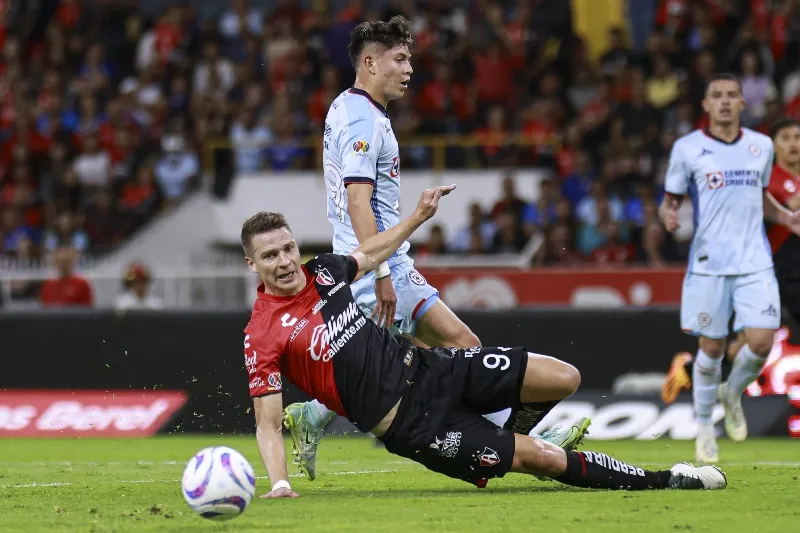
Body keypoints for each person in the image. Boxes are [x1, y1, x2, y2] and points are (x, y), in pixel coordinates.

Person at [243, 185, 727, 499]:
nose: (285, 261)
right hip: (414, 425)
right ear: (253, 265)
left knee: (564, 377)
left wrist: (416, 217)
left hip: (436, 369)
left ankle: (509, 429)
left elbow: (370, 252)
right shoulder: (261, 333)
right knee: (542, 461)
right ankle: (669, 480)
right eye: (270, 256)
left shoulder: (323, 271)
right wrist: (279, 482)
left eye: (288, 248)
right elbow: (267, 423)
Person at [282, 15, 588, 480]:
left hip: (377, 258)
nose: (409, 69)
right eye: (399, 58)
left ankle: (314, 415)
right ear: (369, 62)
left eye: (410, 59)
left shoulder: (348, 107)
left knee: (426, 356)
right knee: (459, 347)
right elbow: (357, 202)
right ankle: (524, 445)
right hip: (377, 260)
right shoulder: (364, 118)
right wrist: (381, 273)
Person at [658, 74, 800, 463]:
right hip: (709, 264)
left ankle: (732, 392)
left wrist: (786, 218)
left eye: (731, 96)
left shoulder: (761, 146)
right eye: (716, 96)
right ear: (705, 105)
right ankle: (705, 429)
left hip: (755, 261)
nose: (724, 102)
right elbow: (669, 200)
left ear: (742, 103)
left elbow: (759, 197)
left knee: (759, 343)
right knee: (713, 347)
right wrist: (668, 215)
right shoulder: (688, 149)